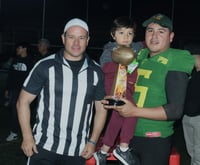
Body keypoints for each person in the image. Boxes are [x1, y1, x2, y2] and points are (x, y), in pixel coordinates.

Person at [102, 13, 196, 165]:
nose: (154, 36)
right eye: (150, 30)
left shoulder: (177, 57)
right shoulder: (140, 55)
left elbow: (175, 110)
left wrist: (133, 111)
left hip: (154, 140)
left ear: (171, 37)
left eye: (161, 31)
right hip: (128, 137)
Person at [16, 18, 107, 165]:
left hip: (78, 150)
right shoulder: (45, 66)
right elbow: (23, 102)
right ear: (63, 38)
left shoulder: (97, 71)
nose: (76, 43)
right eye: (71, 37)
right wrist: (27, 137)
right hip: (43, 146)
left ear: (88, 40)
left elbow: (101, 109)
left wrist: (93, 141)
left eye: (81, 38)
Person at [94, 16, 144, 165]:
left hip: (128, 86)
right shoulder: (110, 49)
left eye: (130, 33)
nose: (126, 37)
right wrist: (122, 62)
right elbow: (104, 67)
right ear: (113, 34)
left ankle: (103, 151)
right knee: (132, 111)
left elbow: (146, 43)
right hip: (116, 86)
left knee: (117, 118)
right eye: (121, 33)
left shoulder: (135, 47)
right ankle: (123, 147)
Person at [5, 42, 34, 142]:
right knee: (14, 111)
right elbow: (10, 75)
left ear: (24, 48)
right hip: (14, 90)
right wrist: (7, 89)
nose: (17, 49)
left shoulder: (30, 61)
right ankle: (15, 132)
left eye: (19, 48)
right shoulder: (15, 60)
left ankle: (17, 132)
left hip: (25, 91)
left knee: (22, 111)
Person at [182, 44, 200, 165]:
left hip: (199, 117)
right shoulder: (188, 73)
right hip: (187, 116)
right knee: (191, 150)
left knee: (199, 150)